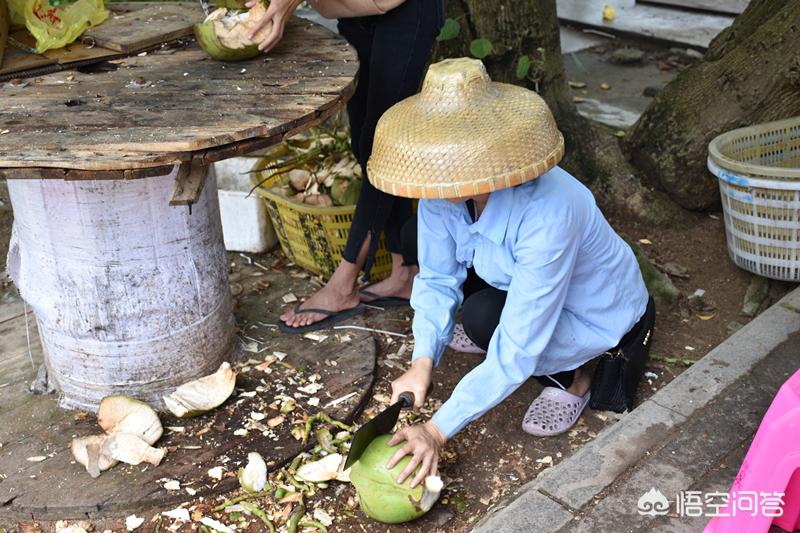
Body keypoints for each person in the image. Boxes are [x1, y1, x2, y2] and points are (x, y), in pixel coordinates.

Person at [362, 57, 653, 488]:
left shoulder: (552, 211)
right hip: (517, 276)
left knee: (485, 324)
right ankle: (495, 353)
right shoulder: (441, 190)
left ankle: (579, 377)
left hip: (595, 308)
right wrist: (423, 358)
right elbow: (438, 278)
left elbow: (517, 346)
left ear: (484, 152)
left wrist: (437, 431)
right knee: (442, 273)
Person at [245, 0, 445, 332]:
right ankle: (404, 271)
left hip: (405, 9)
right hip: (354, 10)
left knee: (381, 144)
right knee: (363, 145)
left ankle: (344, 283)